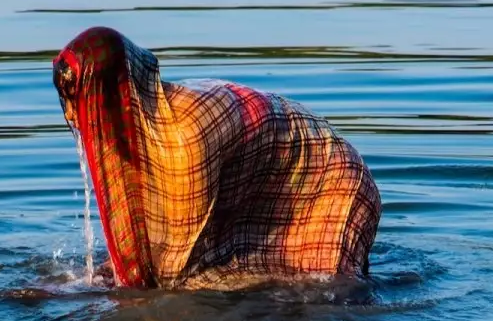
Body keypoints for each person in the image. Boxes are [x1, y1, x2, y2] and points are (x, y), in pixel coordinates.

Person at [52, 26, 381, 290]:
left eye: (81, 99)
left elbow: (172, 269)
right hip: (275, 181)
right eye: (67, 100)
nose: (72, 113)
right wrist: (75, 284)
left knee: (325, 298)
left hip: (334, 186)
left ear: (113, 92)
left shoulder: (185, 136)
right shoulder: (146, 127)